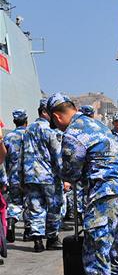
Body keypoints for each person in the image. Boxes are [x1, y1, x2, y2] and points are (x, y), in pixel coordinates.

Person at [47, 93, 118, 275]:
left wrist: (58, 164)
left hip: (106, 192)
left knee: (95, 243)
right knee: (112, 243)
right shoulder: (96, 124)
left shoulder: (73, 133)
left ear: (57, 117)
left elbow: (70, 173)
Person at [22, 99, 64, 252]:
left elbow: (22, 154)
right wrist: (65, 176)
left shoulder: (28, 130)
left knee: (35, 207)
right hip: (48, 176)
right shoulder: (50, 131)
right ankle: (51, 238)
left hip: (30, 175)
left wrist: (21, 176)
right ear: (44, 112)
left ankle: (38, 240)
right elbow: (57, 155)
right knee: (54, 206)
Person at [4, 109, 30, 243]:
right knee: (29, 203)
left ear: (14, 121)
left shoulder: (8, 137)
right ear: (26, 121)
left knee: (14, 202)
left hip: (13, 176)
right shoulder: (30, 135)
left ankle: (11, 221)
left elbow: (3, 158)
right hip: (30, 175)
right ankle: (28, 231)